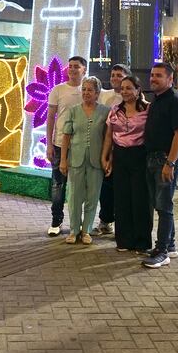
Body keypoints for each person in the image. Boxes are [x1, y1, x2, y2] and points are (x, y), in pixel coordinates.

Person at [142, 62, 178, 269]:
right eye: (152, 75)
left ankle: (161, 251)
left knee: (164, 205)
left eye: (159, 76)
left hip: (166, 160)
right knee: (159, 204)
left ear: (170, 79)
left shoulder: (176, 101)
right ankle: (169, 245)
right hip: (154, 158)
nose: (153, 79)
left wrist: (170, 163)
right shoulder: (158, 99)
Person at [102, 75, 152, 253]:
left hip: (140, 156)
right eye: (122, 88)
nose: (124, 91)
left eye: (129, 88)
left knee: (140, 200)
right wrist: (105, 157)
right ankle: (123, 240)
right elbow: (109, 135)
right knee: (122, 199)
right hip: (120, 156)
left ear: (138, 90)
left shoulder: (148, 109)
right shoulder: (115, 110)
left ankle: (142, 242)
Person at [59, 77, 110, 245]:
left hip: (96, 162)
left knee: (92, 197)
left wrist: (106, 158)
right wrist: (63, 160)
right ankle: (74, 230)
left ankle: (86, 230)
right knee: (74, 196)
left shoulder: (105, 111)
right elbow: (66, 137)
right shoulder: (73, 111)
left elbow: (108, 137)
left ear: (97, 93)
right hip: (75, 160)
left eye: (90, 90)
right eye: (84, 89)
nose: (86, 93)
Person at [45, 56, 87, 237]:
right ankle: (56, 221)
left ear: (84, 69)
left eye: (76, 67)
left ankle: (79, 224)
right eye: (70, 66)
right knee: (58, 185)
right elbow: (50, 118)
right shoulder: (58, 90)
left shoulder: (89, 89)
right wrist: (49, 144)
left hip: (82, 144)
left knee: (81, 186)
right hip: (60, 144)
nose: (72, 69)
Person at [94, 63, 128, 236]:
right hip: (105, 148)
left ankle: (122, 224)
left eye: (119, 75)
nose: (115, 78)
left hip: (124, 151)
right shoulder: (104, 95)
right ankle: (105, 221)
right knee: (106, 188)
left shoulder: (133, 99)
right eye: (113, 74)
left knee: (121, 189)